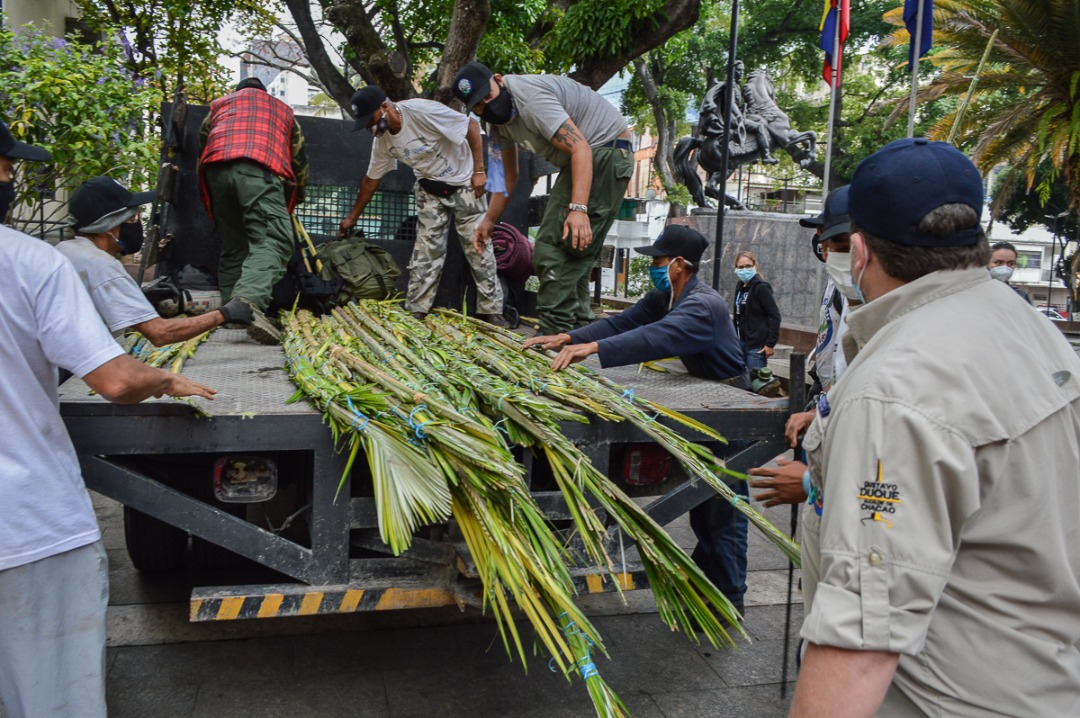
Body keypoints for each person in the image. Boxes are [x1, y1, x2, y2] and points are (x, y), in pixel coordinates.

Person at [754, 138, 1080, 716]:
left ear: (859, 251)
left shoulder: (896, 386)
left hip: (948, 694)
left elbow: (863, 633)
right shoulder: (1025, 327)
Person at [0, 121, 216, 718]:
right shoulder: (37, 264)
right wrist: (194, 349)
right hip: (25, 527)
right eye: (8, 165)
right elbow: (128, 368)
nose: (13, 177)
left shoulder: (56, 256)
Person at [523, 225, 751, 614]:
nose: (654, 268)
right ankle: (709, 589)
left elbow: (656, 337)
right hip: (708, 402)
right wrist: (569, 337)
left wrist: (592, 349)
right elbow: (621, 323)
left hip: (733, 405)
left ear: (680, 265)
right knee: (703, 503)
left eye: (660, 262)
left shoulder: (702, 306)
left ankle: (728, 601)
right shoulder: (668, 295)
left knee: (723, 509)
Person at [451, 61, 634, 336]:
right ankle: (581, 331)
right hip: (588, 157)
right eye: (478, 105)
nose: (487, 106)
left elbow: (580, 148)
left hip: (603, 151)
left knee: (550, 247)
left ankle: (550, 335)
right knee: (574, 248)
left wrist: (578, 209)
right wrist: (488, 222)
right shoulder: (499, 128)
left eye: (487, 95)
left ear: (498, 79)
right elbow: (506, 179)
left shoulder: (530, 97)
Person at [338, 85, 507, 326]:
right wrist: (352, 218)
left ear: (385, 107)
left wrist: (480, 170)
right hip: (429, 188)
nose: (370, 128)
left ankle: (492, 311)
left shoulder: (421, 110)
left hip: (465, 182)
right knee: (427, 250)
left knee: (478, 246)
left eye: (371, 121)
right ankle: (417, 309)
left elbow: (470, 125)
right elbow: (370, 181)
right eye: (365, 125)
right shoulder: (383, 142)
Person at [751, 186, 855, 507]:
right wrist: (818, 410)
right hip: (826, 409)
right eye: (823, 242)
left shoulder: (865, 297)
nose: (825, 250)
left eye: (839, 244)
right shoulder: (836, 282)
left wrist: (812, 484)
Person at [56, 176, 253, 344]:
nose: (137, 224)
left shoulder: (64, 250)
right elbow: (160, 333)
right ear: (109, 226)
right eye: (132, 219)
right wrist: (224, 314)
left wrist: (142, 298)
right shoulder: (101, 264)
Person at [198, 77, 309, 344]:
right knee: (275, 240)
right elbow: (299, 158)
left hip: (216, 172)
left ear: (238, 92)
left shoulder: (218, 106)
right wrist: (299, 192)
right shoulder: (282, 111)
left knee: (235, 244)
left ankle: (230, 316)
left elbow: (203, 143)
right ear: (264, 92)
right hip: (259, 168)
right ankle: (247, 303)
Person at [698, 60, 777, 166]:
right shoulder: (730, 84)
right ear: (733, 70)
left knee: (757, 120)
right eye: (739, 70)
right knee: (759, 127)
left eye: (742, 71)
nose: (741, 73)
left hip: (735, 116)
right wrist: (739, 114)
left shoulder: (736, 85)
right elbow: (730, 103)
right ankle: (765, 155)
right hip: (731, 118)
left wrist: (743, 109)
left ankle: (750, 154)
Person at [731, 250, 781, 372]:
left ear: (755, 266)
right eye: (741, 267)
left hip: (756, 346)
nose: (744, 270)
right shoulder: (740, 286)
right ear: (736, 269)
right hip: (740, 343)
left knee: (756, 383)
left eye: (748, 266)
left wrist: (770, 344)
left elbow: (774, 316)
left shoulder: (761, 287)